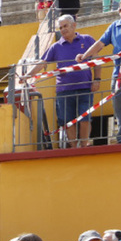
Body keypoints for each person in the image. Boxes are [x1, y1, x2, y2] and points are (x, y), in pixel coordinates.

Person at [22, 15, 98, 147]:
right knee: (67, 121)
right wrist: (27, 75)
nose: (63, 30)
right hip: (64, 90)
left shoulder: (87, 40)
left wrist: (97, 79)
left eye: (65, 26)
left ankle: (84, 146)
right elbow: (42, 63)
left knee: (85, 118)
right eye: (60, 27)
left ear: (73, 25)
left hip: (85, 87)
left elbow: (97, 62)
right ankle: (74, 148)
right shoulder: (55, 47)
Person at [76, 0, 121, 144]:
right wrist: (84, 56)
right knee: (120, 109)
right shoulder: (114, 27)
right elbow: (100, 43)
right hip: (120, 75)